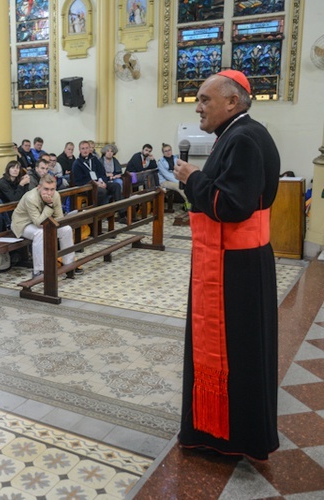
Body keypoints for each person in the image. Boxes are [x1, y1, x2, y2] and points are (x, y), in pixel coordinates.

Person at [173, 69, 280, 461]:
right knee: (241, 350)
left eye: (205, 99)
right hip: (233, 260)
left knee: (236, 351)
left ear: (232, 101)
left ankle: (233, 437)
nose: (198, 107)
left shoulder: (245, 139)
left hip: (234, 268)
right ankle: (223, 432)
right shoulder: (239, 135)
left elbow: (231, 206)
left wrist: (193, 177)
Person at [11, 174, 79, 279]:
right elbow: (39, 223)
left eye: (52, 189)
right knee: (40, 233)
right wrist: (49, 205)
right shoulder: (30, 198)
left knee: (66, 229)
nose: (49, 193)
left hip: (43, 222)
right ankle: (39, 270)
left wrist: (50, 208)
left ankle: (69, 264)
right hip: (23, 224)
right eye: (46, 189)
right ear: (39, 187)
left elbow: (59, 218)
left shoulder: (55, 195)